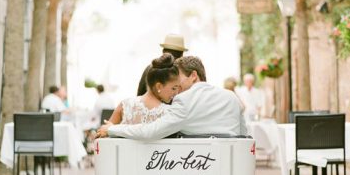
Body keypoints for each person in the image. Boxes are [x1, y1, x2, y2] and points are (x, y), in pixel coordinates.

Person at [97, 56, 247, 140]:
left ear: (193, 76)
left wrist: (113, 129)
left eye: (178, 78)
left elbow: (150, 132)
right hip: (231, 171)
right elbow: (244, 135)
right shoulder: (231, 97)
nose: (176, 84)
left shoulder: (184, 101)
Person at [108, 53, 180, 125]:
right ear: (159, 86)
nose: (176, 93)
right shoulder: (168, 113)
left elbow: (103, 132)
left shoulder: (125, 105)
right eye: (173, 88)